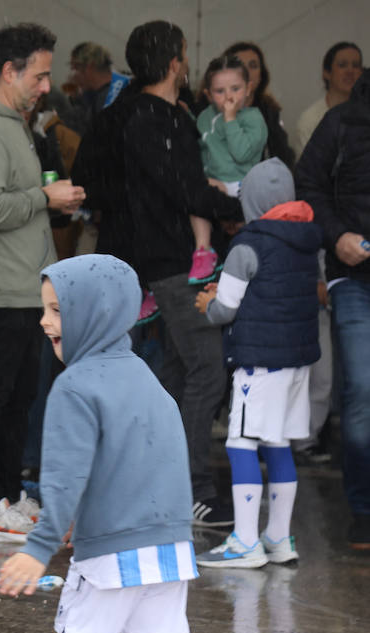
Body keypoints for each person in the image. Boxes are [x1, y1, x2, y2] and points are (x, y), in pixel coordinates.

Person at [0, 254, 208, 633]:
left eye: (58, 309)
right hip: (170, 551)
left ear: (95, 313)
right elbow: (150, 465)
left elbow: (63, 479)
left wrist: (39, 547)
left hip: (112, 553)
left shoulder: (76, 386)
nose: (45, 321)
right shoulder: (149, 381)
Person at [0, 22, 85, 543]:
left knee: (14, 399)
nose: (47, 86)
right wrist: (44, 200)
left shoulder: (10, 123)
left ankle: (6, 495)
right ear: (9, 72)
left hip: (22, 288)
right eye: (41, 74)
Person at [119, 21, 244, 528]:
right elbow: (186, 190)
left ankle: (156, 478)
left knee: (175, 373)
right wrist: (239, 203)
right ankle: (192, 488)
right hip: (175, 264)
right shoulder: (156, 120)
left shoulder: (159, 116)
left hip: (173, 261)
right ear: (176, 62)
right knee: (207, 370)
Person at [194, 159, 321, 568]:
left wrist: (205, 303)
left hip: (261, 364)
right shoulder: (305, 241)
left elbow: (225, 309)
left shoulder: (247, 245)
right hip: (297, 362)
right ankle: (279, 538)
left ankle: (245, 542)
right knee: (279, 443)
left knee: (241, 443)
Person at [297, 69, 370, 548]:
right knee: (362, 389)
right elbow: (308, 184)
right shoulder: (342, 121)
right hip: (354, 276)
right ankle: (364, 510)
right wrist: (336, 235)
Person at [188, 54, 267, 284]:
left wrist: (230, 119)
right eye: (219, 91)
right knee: (197, 192)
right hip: (216, 184)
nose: (229, 97)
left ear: (249, 88)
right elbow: (201, 148)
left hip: (245, 186)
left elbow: (242, 154)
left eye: (236, 88)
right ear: (207, 94)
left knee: (247, 248)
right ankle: (203, 250)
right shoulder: (204, 118)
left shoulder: (254, 118)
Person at [223, 41, 295, 167]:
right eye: (239, 65)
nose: (246, 71)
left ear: (261, 75)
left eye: (253, 65)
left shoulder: (269, 111)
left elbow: (284, 158)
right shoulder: (210, 110)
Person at [293, 42, 362, 157]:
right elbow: (309, 170)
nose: (350, 71)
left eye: (356, 65)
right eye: (342, 65)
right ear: (327, 73)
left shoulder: (365, 114)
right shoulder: (310, 120)